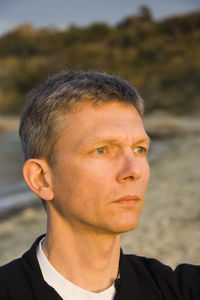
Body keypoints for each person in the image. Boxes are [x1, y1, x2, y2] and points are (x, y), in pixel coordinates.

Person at [0, 71, 199, 300]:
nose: (134, 171)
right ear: (41, 178)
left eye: (140, 150)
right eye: (102, 150)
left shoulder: (180, 290)